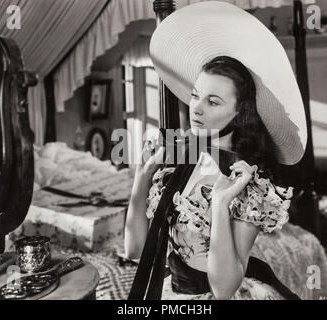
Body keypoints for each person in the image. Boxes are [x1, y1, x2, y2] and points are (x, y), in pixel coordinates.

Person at [124, 1, 307, 300]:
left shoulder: (250, 181)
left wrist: (221, 204)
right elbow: (133, 250)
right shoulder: (180, 159)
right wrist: (142, 175)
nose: (195, 108)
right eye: (195, 95)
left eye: (213, 102)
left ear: (240, 113)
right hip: (174, 291)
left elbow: (224, 289)